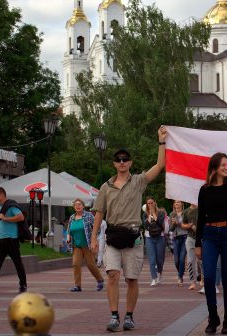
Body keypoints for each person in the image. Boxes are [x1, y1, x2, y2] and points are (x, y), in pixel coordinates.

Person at [90, 125, 167, 332]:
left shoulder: (138, 182)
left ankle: (129, 316)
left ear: (130, 162)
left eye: (125, 159)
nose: (122, 162)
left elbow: (160, 166)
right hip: (113, 237)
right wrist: (94, 238)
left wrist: (161, 141)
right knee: (112, 275)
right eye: (118, 160)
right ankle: (115, 316)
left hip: (133, 237)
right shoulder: (106, 187)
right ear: (114, 164)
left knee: (131, 279)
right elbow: (99, 212)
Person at [195, 152, 227, 335]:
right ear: (215, 167)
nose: (226, 168)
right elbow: (201, 217)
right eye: (223, 165)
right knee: (208, 276)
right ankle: (213, 316)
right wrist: (198, 243)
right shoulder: (205, 190)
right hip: (209, 235)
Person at [66, 199, 104, 292]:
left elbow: (96, 228)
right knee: (76, 264)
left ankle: (100, 280)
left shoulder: (88, 216)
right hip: (76, 245)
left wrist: (94, 240)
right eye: (76, 205)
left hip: (88, 244)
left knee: (90, 264)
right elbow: (68, 230)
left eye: (79, 204)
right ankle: (77, 286)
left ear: (83, 206)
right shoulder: (72, 217)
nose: (77, 206)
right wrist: (68, 237)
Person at [143, 197, 166, 287]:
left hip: (160, 237)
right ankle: (153, 278)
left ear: (155, 203)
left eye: (151, 203)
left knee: (159, 259)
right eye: (148, 203)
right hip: (149, 238)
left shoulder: (160, 213)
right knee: (152, 259)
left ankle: (159, 273)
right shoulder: (145, 214)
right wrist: (149, 218)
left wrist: (155, 217)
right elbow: (145, 226)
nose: (150, 205)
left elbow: (161, 223)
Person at [182, 202, 201, 290]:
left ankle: (203, 279)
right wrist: (187, 226)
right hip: (190, 238)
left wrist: (197, 228)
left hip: (201, 238)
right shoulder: (186, 211)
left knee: (201, 260)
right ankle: (192, 282)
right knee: (190, 260)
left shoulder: (201, 209)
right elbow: (182, 224)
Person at [170, 200, 188, 287]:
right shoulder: (172, 214)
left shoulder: (186, 213)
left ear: (182, 204)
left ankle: (180, 277)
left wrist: (179, 223)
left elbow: (188, 226)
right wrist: (173, 224)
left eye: (178, 202)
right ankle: (181, 270)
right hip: (176, 238)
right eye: (175, 202)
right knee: (176, 261)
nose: (176, 203)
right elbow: (171, 229)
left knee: (182, 259)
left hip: (185, 237)